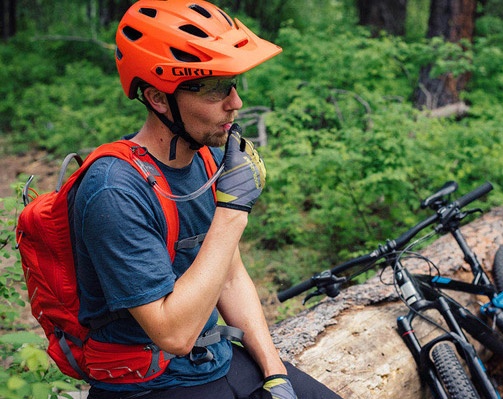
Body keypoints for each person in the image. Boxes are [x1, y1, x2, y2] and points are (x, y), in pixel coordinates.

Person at [72, 1, 342, 398]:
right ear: (159, 99)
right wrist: (233, 211)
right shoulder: (114, 191)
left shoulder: (208, 157)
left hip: (217, 359)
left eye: (233, 84)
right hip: (148, 384)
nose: (235, 102)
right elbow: (175, 335)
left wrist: (275, 373)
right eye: (215, 88)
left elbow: (229, 276)